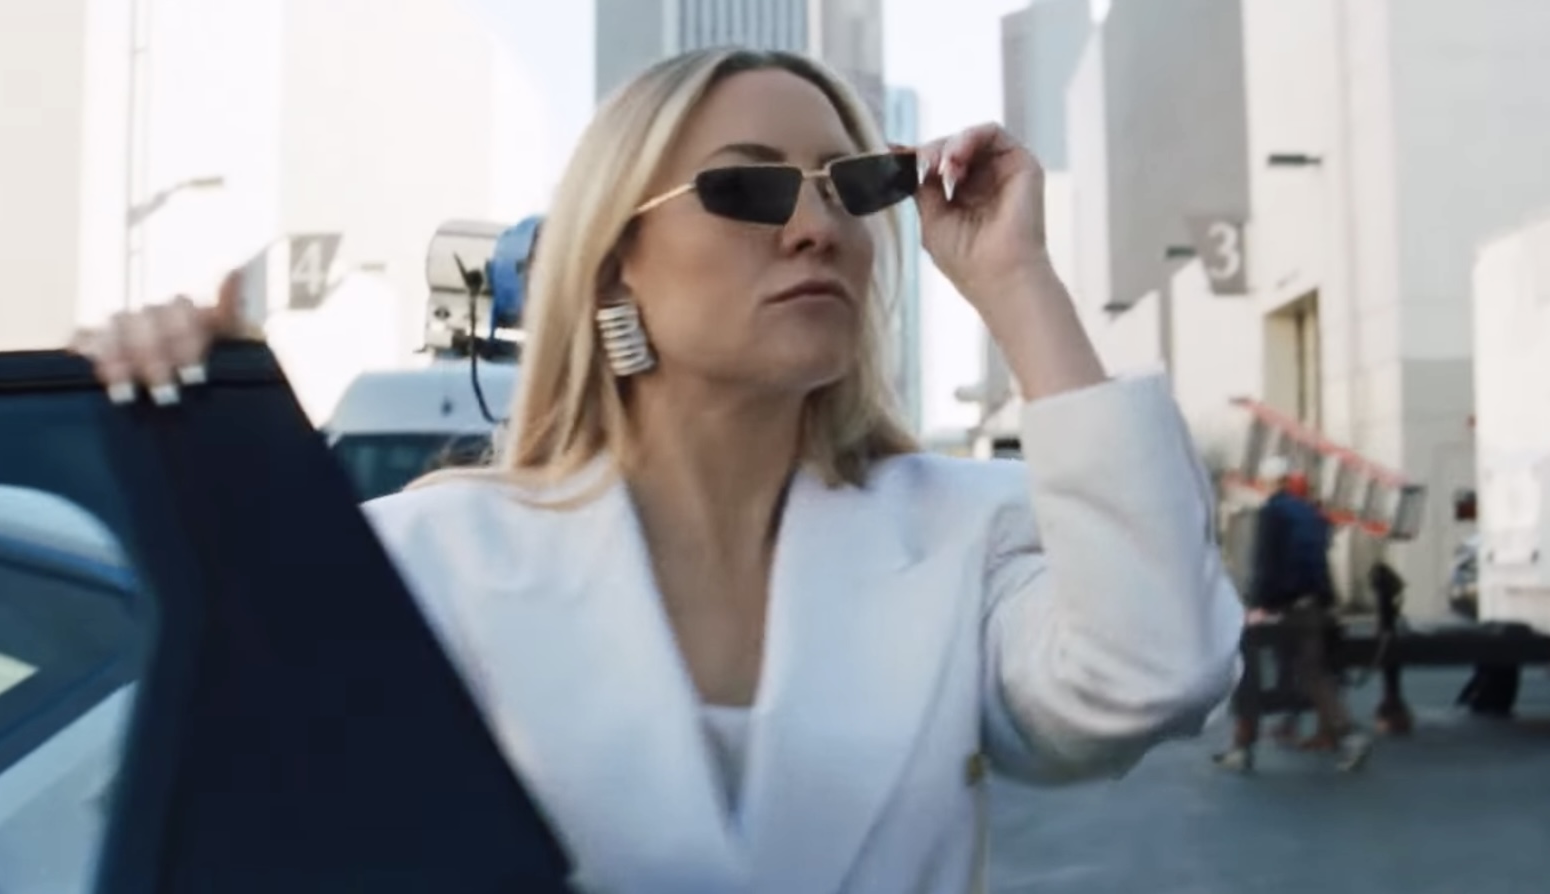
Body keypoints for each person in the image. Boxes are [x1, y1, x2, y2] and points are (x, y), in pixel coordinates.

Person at [76, 47, 1241, 894]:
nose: (816, 228)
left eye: (849, 186)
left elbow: (1151, 674)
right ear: (611, 261)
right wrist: (160, 419)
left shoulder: (959, 531)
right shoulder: (425, 562)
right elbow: (201, 799)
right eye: (747, 189)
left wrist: (1014, 283)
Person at [1214, 457, 1371, 773]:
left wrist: (1260, 602)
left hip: (1283, 608)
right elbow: (1319, 562)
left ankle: (1242, 748)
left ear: (1269, 482)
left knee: (1249, 671)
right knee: (1313, 672)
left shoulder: (1272, 514)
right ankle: (1349, 735)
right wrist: (1325, 600)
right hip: (1313, 606)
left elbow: (1266, 563)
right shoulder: (1313, 514)